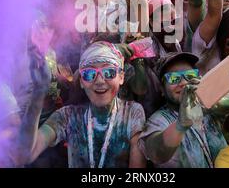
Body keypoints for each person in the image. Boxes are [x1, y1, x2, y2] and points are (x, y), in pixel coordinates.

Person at [17, 41, 146, 168]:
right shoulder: (67, 116)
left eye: (109, 72)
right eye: (89, 74)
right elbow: (26, 154)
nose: (100, 81)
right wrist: (38, 92)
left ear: (121, 77)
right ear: (81, 82)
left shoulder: (132, 113)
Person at [138, 52, 227, 167]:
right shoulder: (158, 120)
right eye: (174, 78)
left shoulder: (209, 107)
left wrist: (214, 101)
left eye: (190, 76)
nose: (184, 83)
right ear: (162, 89)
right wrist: (180, 125)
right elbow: (155, 153)